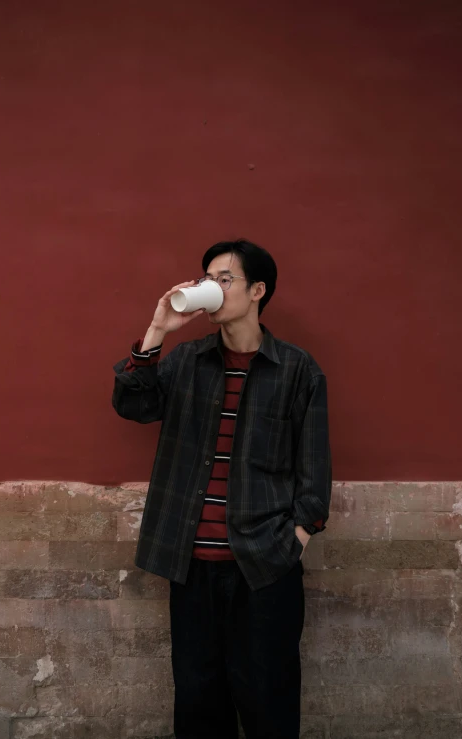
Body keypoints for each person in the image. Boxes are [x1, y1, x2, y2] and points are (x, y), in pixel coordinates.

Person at [112, 238, 331, 739]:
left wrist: (295, 539)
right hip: (190, 569)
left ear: (257, 290)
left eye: (224, 279)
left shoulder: (298, 370)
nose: (212, 287)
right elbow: (133, 406)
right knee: (197, 703)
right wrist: (156, 331)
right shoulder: (186, 361)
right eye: (207, 278)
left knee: (268, 701)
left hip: (264, 567)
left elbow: (315, 475)